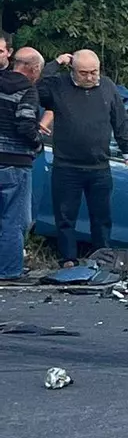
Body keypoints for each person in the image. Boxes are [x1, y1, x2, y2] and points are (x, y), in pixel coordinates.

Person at [37, 49, 128, 266]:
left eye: (94, 72)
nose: (90, 77)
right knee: (65, 217)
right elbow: (39, 86)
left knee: (102, 218)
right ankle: (68, 259)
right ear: (73, 70)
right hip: (66, 166)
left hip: (99, 166)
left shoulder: (107, 87)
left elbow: (120, 121)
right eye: (84, 73)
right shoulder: (59, 85)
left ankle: (103, 260)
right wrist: (56, 63)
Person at [0, 37, 41, 279]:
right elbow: (25, 123)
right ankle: (9, 270)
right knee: (14, 220)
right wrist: (37, 142)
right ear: (33, 69)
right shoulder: (27, 90)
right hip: (15, 162)